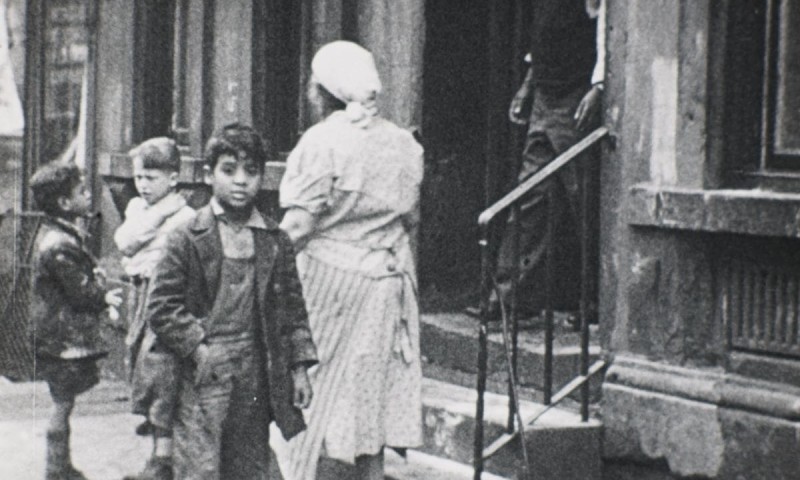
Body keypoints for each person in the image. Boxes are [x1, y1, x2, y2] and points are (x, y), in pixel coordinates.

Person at [277, 40, 424, 480]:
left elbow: (299, 227)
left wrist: (261, 273)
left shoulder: (323, 141)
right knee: (367, 392)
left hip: (330, 285)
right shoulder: (403, 143)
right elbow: (410, 218)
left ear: (323, 91)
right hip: (387, 279)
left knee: (312, 391)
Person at [145, 123, 317, 479]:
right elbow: (162, 308)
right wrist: (198, 349)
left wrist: (298, 367)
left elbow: (292, 310)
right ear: (208, 175)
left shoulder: (275, 240)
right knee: (201, 465)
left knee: (250, 463)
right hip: (202, 371)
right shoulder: (186, 237)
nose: (240, 180)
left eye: (251, 171)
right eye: (229, 170)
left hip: (255, 369)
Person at [493, 0, 606, 320]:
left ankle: (597, 302)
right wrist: (530, 85)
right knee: (530, 194)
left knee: (583, 198)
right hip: (547, 93)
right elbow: (542, 33)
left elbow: (609, 28)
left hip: (576, 94)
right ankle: (511, 296)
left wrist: (598, 87)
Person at [28, 161, 123, 480]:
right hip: (62, 338)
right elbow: (80, 292)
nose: (88, 196)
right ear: (65, 203)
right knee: (62, 402)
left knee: (64, 401)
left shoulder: (61, 236)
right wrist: (101, 291)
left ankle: (60, 465)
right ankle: (56, 467)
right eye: (81, 191)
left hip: (58, 336)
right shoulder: (59, 245)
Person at [114, 137, 195, 480]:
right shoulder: (140, 209)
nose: (143, 186)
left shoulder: (187, 216)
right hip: (138, 295)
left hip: (165, 299)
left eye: (152, 177)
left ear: (173, 178)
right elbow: (125, 242)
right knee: (141, 365)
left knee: (162, 372)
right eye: (139, 178)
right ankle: (158, 450)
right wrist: (160, 211)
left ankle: (163, 460)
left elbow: (168, 260)